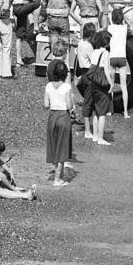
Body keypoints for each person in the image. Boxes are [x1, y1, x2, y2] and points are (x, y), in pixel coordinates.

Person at [43, 60, 74, 188]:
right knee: (62, 148)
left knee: (54, 145)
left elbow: (45, 105)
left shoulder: (48, 86)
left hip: (52, 116)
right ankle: (57, 180)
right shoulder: (67, 87)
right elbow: (69, 106)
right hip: (63, 116)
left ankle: (58, 175)